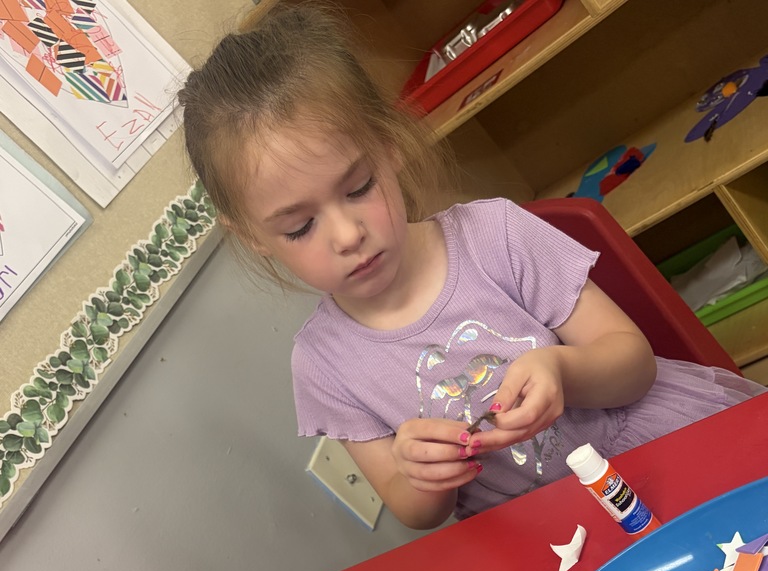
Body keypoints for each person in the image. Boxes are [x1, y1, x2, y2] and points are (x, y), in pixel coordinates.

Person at [178, 0, 764, 530]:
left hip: (652, 449)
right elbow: (416, 514)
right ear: (254, 236)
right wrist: (420, 474)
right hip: (543, 533)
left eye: (358, 187)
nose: (347, 234)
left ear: (389, 147)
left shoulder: (494, 235)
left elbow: (633, 365)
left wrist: (562, 371)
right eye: (299, 227)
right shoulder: (322, 365)